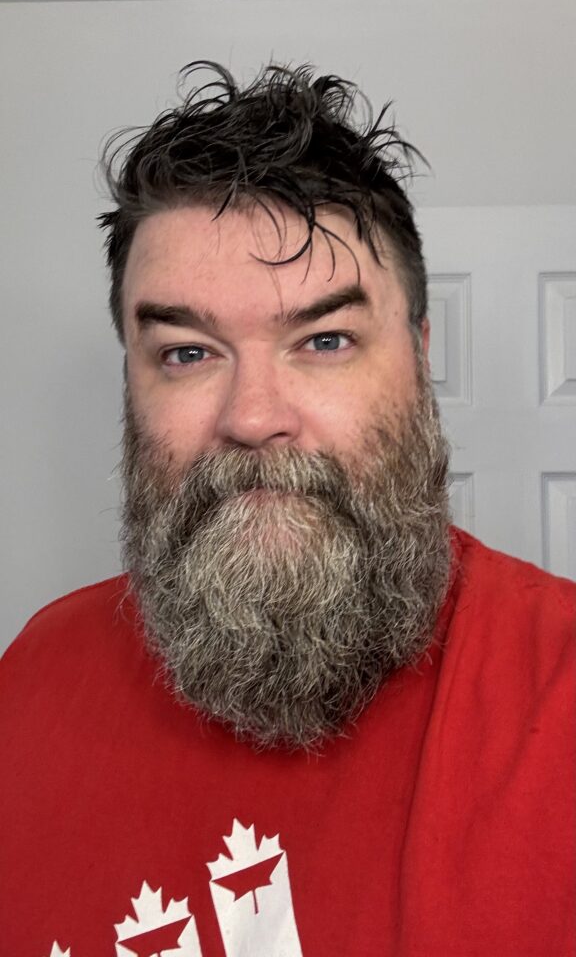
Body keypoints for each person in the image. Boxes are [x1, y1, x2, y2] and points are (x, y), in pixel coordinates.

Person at [1, 62, 574, 957]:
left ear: (420, 358)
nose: (254, 417)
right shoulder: (31, 678)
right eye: (188, 353)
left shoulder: (559, 697)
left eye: (326, 339)